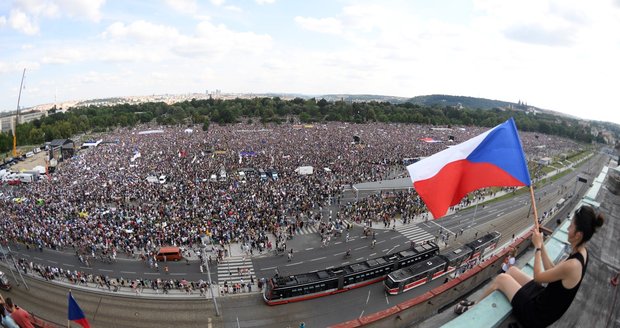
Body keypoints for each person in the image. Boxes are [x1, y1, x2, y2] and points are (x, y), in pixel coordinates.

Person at [468, 205, 604, 328]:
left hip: (537, 315)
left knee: (501, 279)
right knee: (512, 270)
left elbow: (539, 278)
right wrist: (542, 244)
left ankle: (472, 309)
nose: (568, 228)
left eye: (571, 226)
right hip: (544, 300)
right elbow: (552, 270)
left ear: (578, 235)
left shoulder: (573, 265)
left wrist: (538, 248)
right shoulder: (582, 252)